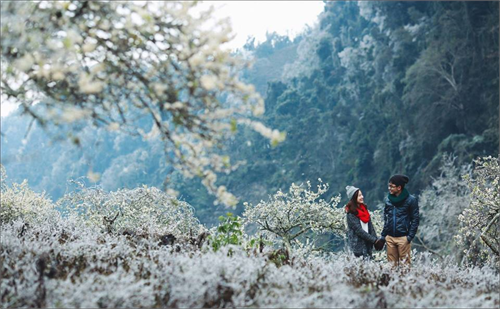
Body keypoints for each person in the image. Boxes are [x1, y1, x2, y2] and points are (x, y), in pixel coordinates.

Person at [380, 175, 420, 266]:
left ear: (399, 187)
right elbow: (386, 218)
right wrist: (383, 235)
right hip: (390, 238)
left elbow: (415, 219)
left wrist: (409, 237)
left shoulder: (411, 200)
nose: (389, 188)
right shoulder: (388, 200)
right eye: (389, 186)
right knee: (391, 268)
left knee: (405, 268)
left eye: (392, 186)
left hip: (403, 238)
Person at [345, 185, 384, 259]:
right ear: (354, 197)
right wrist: (374, 241)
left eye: (361, 194)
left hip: (367, 245)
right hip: (357, 247)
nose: (362, 197)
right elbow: (359, 231)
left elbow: (370, 227)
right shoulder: (351, 213)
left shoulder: (364, 210)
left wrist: (376, 240)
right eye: (359, 195)